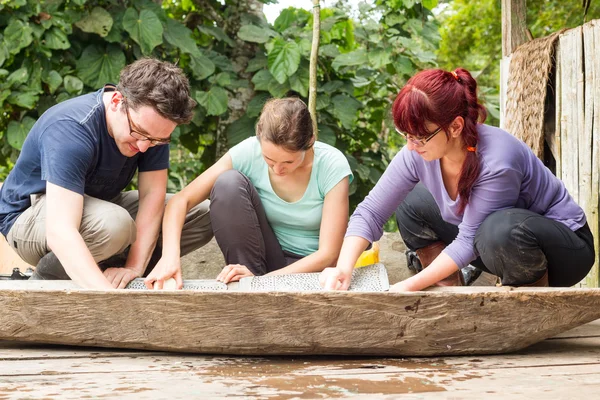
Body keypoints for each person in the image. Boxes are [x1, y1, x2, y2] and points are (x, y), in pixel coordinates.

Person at [320, 68, 595, 291]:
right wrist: (343, 268)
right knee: (412, 204)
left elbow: (468, 241)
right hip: (490, 246)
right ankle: (451, 294)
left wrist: (402, 288)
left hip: (562, 252)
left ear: (455, 127)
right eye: (405, 135)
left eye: (419, 137)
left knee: (498, 229)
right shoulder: (417, 151)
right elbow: (371, 211)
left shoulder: (498, 160)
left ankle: (532, 311)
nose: (412, 146)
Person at [0, 59, 213, 289]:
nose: (143, 147)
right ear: (116, 101)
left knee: (203, 213)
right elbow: (60, 230)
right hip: (30, 217)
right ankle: (49, 276)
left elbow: (152, 197)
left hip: (97, 209)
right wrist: (109, 300)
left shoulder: (151, 130)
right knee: (115, 224)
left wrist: (133, 268)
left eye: (156, 140)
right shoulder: (72, 129)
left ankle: (109, 271)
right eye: (138, 133)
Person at [145, 97, 352, 289]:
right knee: (227, 183)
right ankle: (244, 287)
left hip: (313, 271)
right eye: (269, 160)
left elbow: (329, 254)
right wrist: (169, 257)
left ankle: (251, 286)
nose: (277, 170)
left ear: (310, 142)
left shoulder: (331, 165)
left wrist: (261, 281)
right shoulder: (248, 151)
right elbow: (180, 201)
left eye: (288, 162)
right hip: (264, 260)